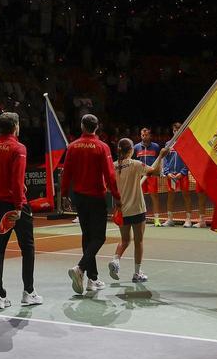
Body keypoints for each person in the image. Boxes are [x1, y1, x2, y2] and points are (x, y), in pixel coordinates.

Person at [0, 111, 42, 310]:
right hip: (15, 204)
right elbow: (17, 181)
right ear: (16, 126)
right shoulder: (19, 148)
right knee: (28, 248)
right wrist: (18, 206)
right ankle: (29, 292)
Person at [62, 114, 118, 295]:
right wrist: (116, 196)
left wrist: (64, 194)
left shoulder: (72, 146)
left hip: (79, 197)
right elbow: (110, 175)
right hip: (96, 197)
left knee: (87, 236)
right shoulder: (102, 146)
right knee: (99, 237)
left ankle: (92, 279)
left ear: (82, 126)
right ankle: (80, 268)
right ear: (97, 127)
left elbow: (66, 173)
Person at [109, 137, 169, 283]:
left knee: (125, 240)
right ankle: (137, 273)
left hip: (122, 210)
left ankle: (116, 260)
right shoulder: (135, 164)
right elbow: (156, 171)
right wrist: (161, 156)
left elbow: (109, 187)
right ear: (131, 150)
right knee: (138, 241)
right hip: (137, 209)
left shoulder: (113, 166)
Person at [133, 128, 163, 225]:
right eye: (142, 135)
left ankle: (156, 219)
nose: (144, 137)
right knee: (139, 197)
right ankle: (140, 218)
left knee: (154, 196)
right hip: (140, 175)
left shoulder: (156, 147)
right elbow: (133, 162)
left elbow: (160, 160)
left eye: (146, 135)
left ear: (150, 136)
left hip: (152, 175)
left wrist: (160, 172)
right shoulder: (136, 147)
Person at [162, 122, 188, 226]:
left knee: (186, 195)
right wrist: (167, 173)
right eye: (174, 130)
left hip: (182, 175)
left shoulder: (186, 143)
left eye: (178, 130)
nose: (176, 132)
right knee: (170, 196)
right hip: (171, 175)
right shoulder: (168, 144)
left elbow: (188, 160)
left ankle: (188, 219)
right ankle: (170, 219)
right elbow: (165, 160)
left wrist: (183, 172)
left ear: (182, 131)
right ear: (173, 131)